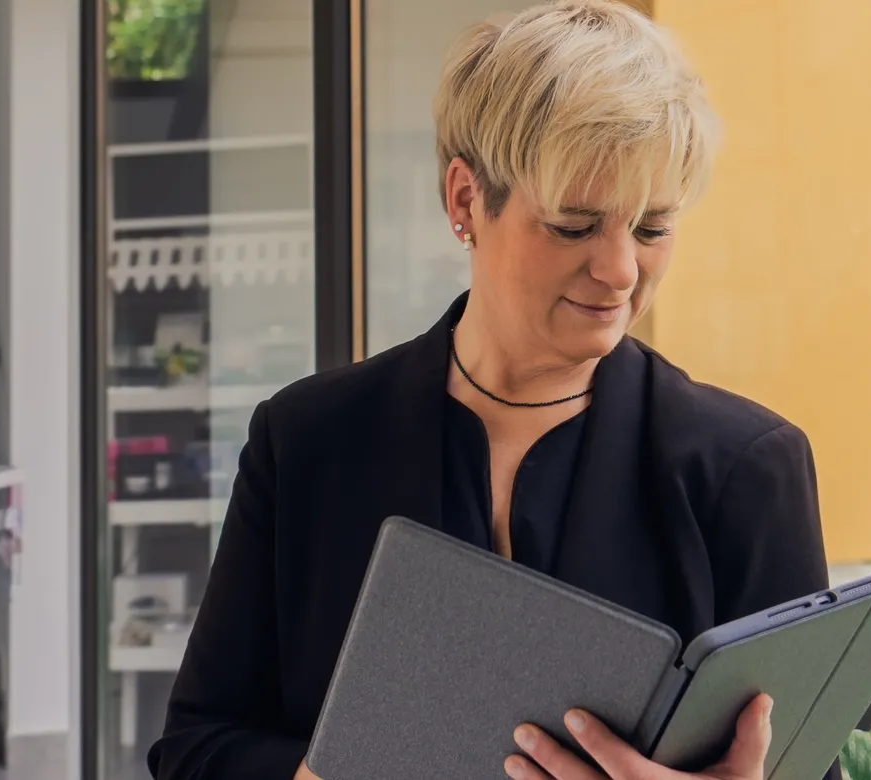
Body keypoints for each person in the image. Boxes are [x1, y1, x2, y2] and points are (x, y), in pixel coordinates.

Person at [144, 2, 832, 779]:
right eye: (575, 225)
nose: (621, 272)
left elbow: (808, 765)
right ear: (466, 200)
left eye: (652, 227)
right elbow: (194, 750)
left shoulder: (746, 468)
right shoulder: (305, 441)